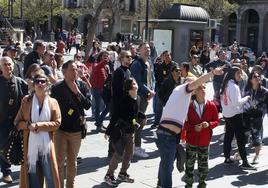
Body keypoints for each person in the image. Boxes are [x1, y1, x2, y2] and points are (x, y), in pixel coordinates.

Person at [155, 66, 224, 188]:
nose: (198, 87)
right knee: (167, 166)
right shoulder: (182, 89)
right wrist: (212, 73)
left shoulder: (184, 96)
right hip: (167, 135)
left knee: (165, 164)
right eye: (196, 85)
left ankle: (160, 184)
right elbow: (196, 82)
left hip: (169, 135)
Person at [14, 73, 61, 188]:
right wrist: (27, 125)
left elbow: (57, 123)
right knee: (33, 177)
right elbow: (17, 123)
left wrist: (39, 125)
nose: (39, 84)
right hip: (30, 147)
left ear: (47, 84)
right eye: (37, 82)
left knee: (50, 176)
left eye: (42, 81)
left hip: (47, 147)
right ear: (33, 85)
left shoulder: (53, 102)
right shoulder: (26, 102)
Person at [51, 60, 91, 188]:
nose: (76, 72)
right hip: (60, 130)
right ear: (64, 71)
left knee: (72, 161)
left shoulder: (82, 86)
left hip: (76, 130)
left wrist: (77, 93)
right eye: (72, 70)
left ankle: (70, 185)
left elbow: (88, 105)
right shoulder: (57, 88)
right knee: (59, 161)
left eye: (77, 69)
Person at [104, 78, 140, 186]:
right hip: (122, 132)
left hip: (131, 131)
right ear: (129, 88)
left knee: (129, 154)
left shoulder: (137, 98)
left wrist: (141, 117)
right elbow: (115, 116)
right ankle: (109, 175)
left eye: (135, 82)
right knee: (118, 154)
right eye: (133, 83)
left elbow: (135, 113)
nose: (136, 85)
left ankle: (123, 173)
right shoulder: (124, 100)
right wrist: (108, 130)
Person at [184, 84, 220, 188]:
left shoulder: (211, 105)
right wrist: (193, 128)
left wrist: (209, 124)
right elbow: (184, 124)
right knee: (189, 164)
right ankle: (189, 184)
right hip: (192, 141)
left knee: (203, 165)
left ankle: (202, 183)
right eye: (200, 88)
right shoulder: (189, 106)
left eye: (204, 87)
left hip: (204, 140)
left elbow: (217, 120)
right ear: (194, 91)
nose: (203, 90)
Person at [220, 67, 255, 169]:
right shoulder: (233, 86)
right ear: (233, 74)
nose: (240, 75)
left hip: (227, 114)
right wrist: (246, 98)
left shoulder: (225, 84)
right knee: (240, 138)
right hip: (235, 115)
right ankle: (244, 161)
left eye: (240, 73)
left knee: (228, 136)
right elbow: (237, 103)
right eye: (238, 74)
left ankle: (227, 158)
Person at [0, 56, 28, 184]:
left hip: (17, 121)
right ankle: (6, 173)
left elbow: (30, 96)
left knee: (17, 146)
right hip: (2, 121)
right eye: (5, 64)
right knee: (3, 146)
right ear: (1, 67)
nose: (8, 67)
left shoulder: (20, 82)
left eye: (10, 64)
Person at [130, 42, 155, 158]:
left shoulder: (149, 63)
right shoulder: (136, 64)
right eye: (145, 48)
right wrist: (148, 91)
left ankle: (134, 146)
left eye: (149, 48)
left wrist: (152, 91)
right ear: (140, 50)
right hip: (139, 97)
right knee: (138, 122)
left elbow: (152, 79)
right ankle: (136, 147)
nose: (147, 50)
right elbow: (138, 82)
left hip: (146, 96)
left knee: (140, 122)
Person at [243, 71, 268, 164]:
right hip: (247, 115)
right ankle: (240, 153)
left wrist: (257, 106)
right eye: (255, 76)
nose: (257, 78)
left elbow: (266, 105)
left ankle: (257, 156)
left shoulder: (264, 91)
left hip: (257, 116)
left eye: (258, 76)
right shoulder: (247, 91)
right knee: (244, 135)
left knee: (256, 135)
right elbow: (243, 102)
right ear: (250, 80)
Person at [153, 50, 177, 128]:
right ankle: (157, 123)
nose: (167, 57)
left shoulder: (175, 65)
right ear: (162, 57)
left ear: (171, 56)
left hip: (171, 89)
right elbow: (156, 77)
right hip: (161, 88)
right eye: (165, 55)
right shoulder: (159, 66)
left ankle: (169, 123)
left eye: (168, 55)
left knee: (170, 106)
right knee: (159, 107)